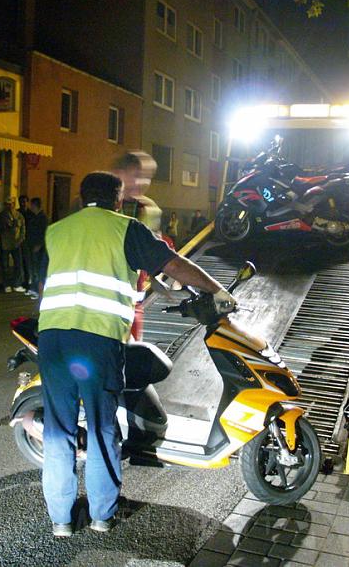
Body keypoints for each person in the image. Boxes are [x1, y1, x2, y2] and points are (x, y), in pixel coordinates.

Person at [35, 171, 235, 537]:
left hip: (52, 339)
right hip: (97, 340)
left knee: (59, 428)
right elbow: (172, 264)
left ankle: (61, 520)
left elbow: (42, 282)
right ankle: (101, 515)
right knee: (101, 425)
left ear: (82, 198)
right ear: (118, 199)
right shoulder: (125, 228)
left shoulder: (56, 230)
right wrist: (217, 288)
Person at [112, 151, 162, 340]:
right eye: (136, 175)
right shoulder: (99, 203)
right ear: (118, 173)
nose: (142, 183)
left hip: (133, 302)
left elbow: (156, 247)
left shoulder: (150, 210)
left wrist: (156, 276)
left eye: (147, 178)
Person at [0, 195, 27, 293]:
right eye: (7, 204)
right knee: (5, 266)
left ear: (14, 204)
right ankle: (6, 285)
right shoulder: (1, 215)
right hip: (5, 244)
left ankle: (17, 284)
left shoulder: (19, 215)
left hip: (16, 243)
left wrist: (21, 239)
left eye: (11, 204)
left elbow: (23, 228)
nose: (9, 206)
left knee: (18, 264)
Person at [22, 196, 48, 298]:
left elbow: (45, 233)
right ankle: (34, 288)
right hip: (32, 245)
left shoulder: (43, 218)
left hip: (38, 248)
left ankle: (37, 290)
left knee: (37, 269)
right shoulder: (35, 217)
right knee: (33, 269)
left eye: (31, 205)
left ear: (35, 205)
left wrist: (40, 245)